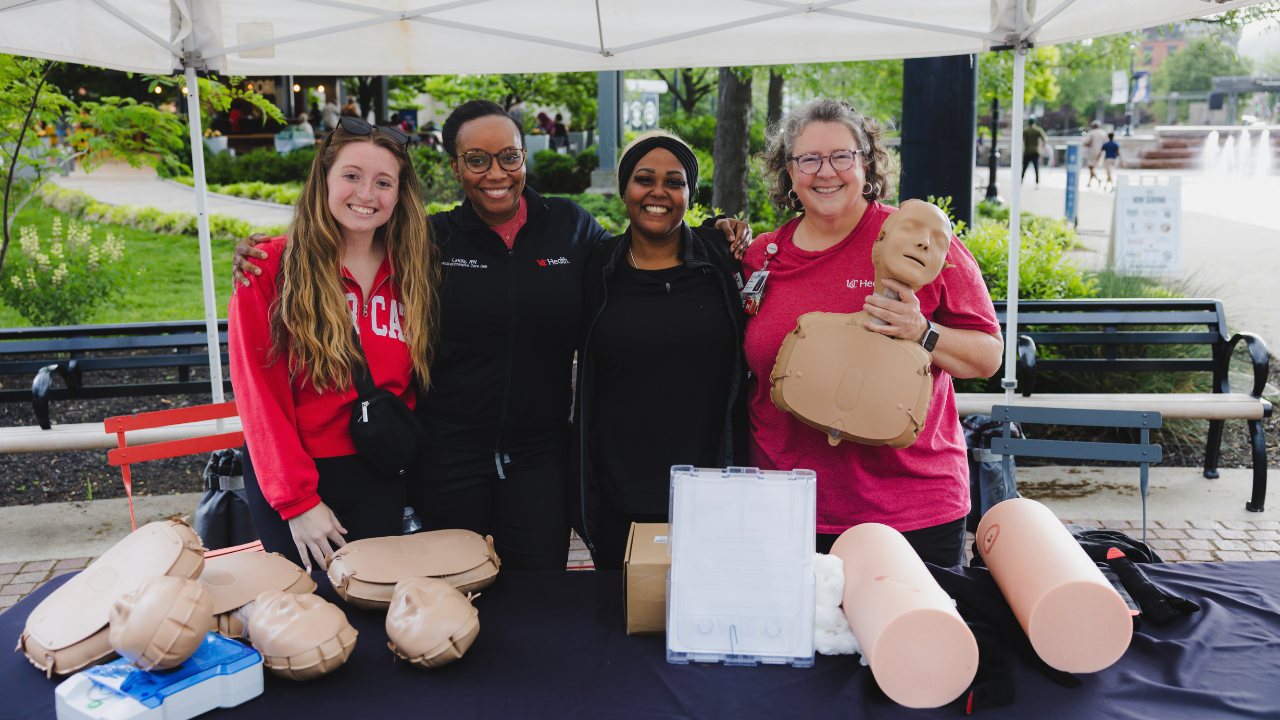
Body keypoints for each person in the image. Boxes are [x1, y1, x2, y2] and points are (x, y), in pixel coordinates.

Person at [233, 100, 753, 570]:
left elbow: (638, 255)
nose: (496, 173)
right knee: (447, 592)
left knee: (536, 598)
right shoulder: (427, 243)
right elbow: (266, 379)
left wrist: (713, 235)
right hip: (443, 453)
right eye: (477, 160)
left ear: (525, 157)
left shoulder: (569, 228)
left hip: (539, 457)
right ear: (456, 167)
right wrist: (267, 250)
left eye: (509, 156)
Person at [744, 98, 1003, 567]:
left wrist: (922, 331)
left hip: (910, 512)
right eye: (808, 159)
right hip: (788, 509)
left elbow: (987, 358)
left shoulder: (918, 240)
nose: (826, 172)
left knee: (913, 640)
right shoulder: (761, 257)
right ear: (788, 170)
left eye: (842, 156)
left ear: (867, 162)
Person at [229, 116, 439, 572]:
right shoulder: (269, 270)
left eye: (384, 182)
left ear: (399, 194)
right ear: (322, 179)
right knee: (306, 620)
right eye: (351, 176)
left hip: (382, 470)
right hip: (299, 477)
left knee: (377, 610)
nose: (366, 195)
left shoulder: (416, 269)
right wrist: (298, 501)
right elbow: (258, 396)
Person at [571, 130, 749, 569]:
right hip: (618, 489)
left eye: (675, 182)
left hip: (710, 484)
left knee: (705, 614)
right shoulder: (594, 266)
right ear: (624, 189)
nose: (659, 192)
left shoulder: (722, 261)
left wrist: (726, 227)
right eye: (644, 178)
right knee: (622, 620)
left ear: (690, 193)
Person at [1021, 117, 1049, 187]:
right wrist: (1043, 145)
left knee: (1024, 168)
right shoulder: (1038, 130)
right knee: (1036, 168)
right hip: (1035, 151)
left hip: (1027, 151)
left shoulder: (1025, 130)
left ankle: (1021, 181)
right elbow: (1045, 139)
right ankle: (1037, 182)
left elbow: (1020, 139)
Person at [1083, 120, 1108, 188]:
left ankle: (1097, 180)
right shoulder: (1103, 133)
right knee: (1092, 168)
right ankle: (1090, 182)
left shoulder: (1091, 133)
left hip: (1092, 152)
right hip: (1100, 152)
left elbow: (1086, 142)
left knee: (1091, 167)